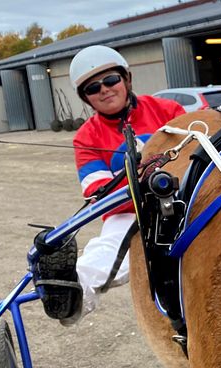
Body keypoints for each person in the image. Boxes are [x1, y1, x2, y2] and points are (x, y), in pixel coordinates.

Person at [34, 45, 185, 325]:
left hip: (185, 197)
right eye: (93, 88)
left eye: (110, 80)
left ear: (126, 79)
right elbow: (98, 192)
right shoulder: (86, 138)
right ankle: (71, 295)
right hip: (129, 215)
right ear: (86, 98)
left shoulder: (169, 110)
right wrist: (144, 188)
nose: (104, 89)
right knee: (105, 252)